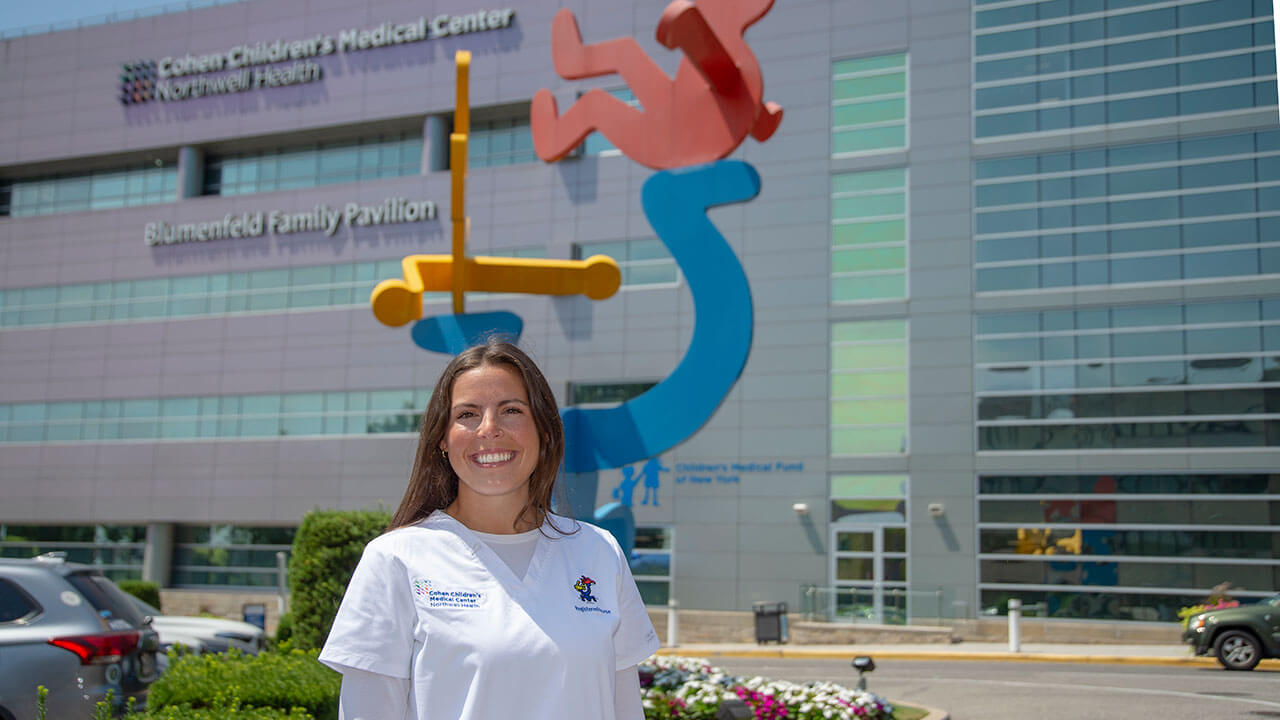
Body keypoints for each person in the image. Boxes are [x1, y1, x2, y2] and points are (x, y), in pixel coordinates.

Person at [319, 340, 659, 719]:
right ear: (442, 439)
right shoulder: (395, 559)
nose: (489, 429)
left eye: (511, 410)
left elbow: (626, 709)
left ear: (545, 431)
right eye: (467, 414)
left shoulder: (598, 551)